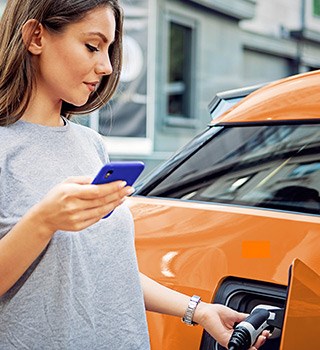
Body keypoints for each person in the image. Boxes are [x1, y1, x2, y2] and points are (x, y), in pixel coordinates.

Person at [0, 1, 268, 349]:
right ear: (36, 37)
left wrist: (199, 311)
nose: (107, 66)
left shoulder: (92, 145)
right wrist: (44, 221)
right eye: (92, 46)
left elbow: (108, 269)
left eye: (110, 50)